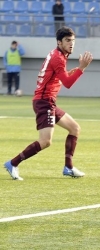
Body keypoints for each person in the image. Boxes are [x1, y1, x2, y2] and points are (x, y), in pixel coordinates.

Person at [3, 26, 93, 181]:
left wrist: (72, 71)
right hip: (44, 102)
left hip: (47, 101)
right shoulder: (58, 57)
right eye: (67, 40)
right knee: (45, 141)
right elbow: (67, 84)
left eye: (73, 41)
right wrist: (81, 69)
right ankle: (13, 163)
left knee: (74, 128)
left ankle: (68, 167)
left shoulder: (58, 54)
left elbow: (56, 76)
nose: (71, 44)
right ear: (59, 42)